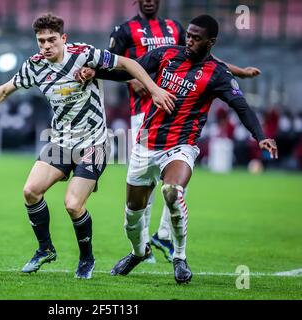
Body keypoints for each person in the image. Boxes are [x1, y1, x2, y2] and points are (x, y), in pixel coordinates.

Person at [0, 13, 175, 280]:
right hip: (60, 141)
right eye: (41, 41)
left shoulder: (85, 54)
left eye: (51, 40)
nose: (46, 46)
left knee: (73, 205)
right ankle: (45, 249)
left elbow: (128, 62)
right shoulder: (35, 66)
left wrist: (153, 89)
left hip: (93, 143)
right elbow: (4, 90)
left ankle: (86, 258)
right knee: (30, 191)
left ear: (64, 38)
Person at [90, 14, 278, 283]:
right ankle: (138, 251)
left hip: (181, 146)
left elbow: (241, 106)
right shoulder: (166, 54)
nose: (189, 40)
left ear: (211, 42)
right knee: (132, 216)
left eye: (196, 38)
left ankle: (179, 257)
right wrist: (93, 71)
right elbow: (126, 71)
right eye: (188, 35)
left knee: (172, 193)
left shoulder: (218, 74)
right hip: (146, 146)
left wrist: (260, 136)